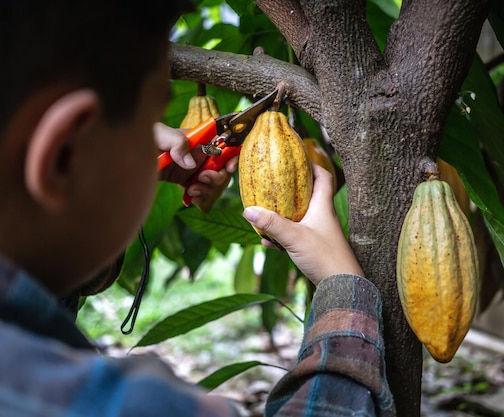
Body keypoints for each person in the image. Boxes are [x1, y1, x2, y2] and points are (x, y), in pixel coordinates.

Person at [0, 1, 395, 416]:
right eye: (153, 114)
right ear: (64, 155)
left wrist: (102, 167)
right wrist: (342, 285)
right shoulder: (129, 406)